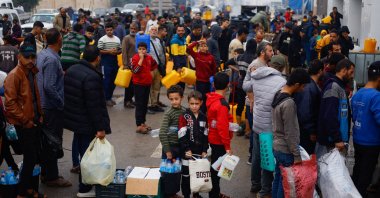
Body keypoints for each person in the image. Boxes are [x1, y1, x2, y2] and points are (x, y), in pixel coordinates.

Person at [64, 45, 111, 197]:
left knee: (81, 149)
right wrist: (100, 128)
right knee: (87, 155)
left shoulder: (72, 69)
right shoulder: (91, 76)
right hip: (86, 121)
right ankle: (84, 188)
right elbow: (94, 105)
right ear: (97, 58)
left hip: (75, 118)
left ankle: (83, 179)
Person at [243, 43, 285, 198]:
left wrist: (250, 74)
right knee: (267, 159)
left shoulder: (257, 77)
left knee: (257, 155)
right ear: (281, 68)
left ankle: (255, 185)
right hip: (269, 125)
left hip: (257, 123)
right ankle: (265, 190)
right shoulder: (281, 82)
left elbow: (245, 86)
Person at [4, 43, 46, 198]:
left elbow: (34, 97)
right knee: (30, 159)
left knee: (33, 157)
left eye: (32, 56)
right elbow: (10, 104)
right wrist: (25, 120)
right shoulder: (14, 75)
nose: (30, 59)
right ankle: (22, 193)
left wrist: (40, 114)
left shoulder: (31, 71)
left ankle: (27, 188)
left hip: (34, 121)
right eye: (26, 57)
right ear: (19, 57)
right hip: (23, 124)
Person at [35, 28, 72, 187]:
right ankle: (52, 176)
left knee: (47, 141)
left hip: (44, 105)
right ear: (59, 40)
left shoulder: (43, 54)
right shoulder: (51, 59)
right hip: (50, 107)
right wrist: (60, 103)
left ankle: (46, 173)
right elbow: (49, 86)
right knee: (52, 142)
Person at [271, 69, 311, 198]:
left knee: (278, 179)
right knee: (286, 185)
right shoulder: (289, 103)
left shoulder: (278, 94)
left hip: (277, 146)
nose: (303, 89)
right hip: (285, 150)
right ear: (297, 84)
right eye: (303, 86)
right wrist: (296, 155)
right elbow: (290, 132)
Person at [351, 61, 380, 197]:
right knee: (366, 175)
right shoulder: (376, 96)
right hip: (371, 142)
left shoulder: (359, 93)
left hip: (358, 139)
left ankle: (354, 193)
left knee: (358, 170)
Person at [316, 59, 355, 159]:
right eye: (351, 72)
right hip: (332, 143)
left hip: (337, 141)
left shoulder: (339, 86)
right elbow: (329, 116)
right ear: (343, 70)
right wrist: (337, 139)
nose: (352, 76)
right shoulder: (333, 87)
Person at [207, 72, 232, 198]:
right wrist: (227, 146)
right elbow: (223, 127)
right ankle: (214, 194)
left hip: (212, 137)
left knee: (214, 168)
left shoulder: (211, 98)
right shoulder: (222, 105)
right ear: (228, 85)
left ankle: (215, 192)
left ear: (213, 84)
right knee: (217, 170)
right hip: (219, 141)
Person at [178, 91, 208, 198]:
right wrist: (186, 148)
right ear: (188, 103)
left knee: (197, 174)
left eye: (197, 104)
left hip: (199, 152)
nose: (194, 106)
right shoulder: (184, 116)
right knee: (186, 175)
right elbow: (181, 134)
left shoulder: (204, 117)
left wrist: (205, 149)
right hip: (187, 153)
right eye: (192, 104)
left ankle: (196, 194)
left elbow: (205, 135)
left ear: (201, 103)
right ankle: (186, 195)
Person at [159, 85, 185, 198]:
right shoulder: (168, 113)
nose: (174, 102)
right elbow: (162, 133)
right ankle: (168, 194)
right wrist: (167, 150)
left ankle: (173, 193)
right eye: (171, 99)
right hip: (170, 148)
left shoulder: (184, 111)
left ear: (182, 98)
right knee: (168, 174)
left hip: (180, 147)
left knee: (176, 172)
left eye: (176, 99)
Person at [294, 59, 323, 154]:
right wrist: (311, 131)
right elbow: (305, 111)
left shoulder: (309, 84)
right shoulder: (309, 86)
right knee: (306, 156)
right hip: (305, 131)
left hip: (304, 128)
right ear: (320, 71)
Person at [131, 42, 158, 134]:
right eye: (140, 49)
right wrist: (141, 59)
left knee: (144, 104)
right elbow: (135, 70)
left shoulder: (149, 57)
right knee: (139, 104)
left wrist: (151, 72)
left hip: (147, 83)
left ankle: (143, 122)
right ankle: (139, 125)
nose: (142, 51)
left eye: (143, 49)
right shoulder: (135, 58)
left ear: (146, 49)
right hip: (138, 84)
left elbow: (154, 64)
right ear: (137, 49)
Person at [187, 40, 217, 113]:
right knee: (199, 98)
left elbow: (214, 70)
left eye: (205, 46)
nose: (203, 48)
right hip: (200, 82)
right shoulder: (196, 55)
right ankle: (199, 113)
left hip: (208, 82)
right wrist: (197, 42)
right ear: (199, 48)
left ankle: (205, 114)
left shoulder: (211, 57)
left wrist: (213, 81)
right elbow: (188, 49)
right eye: (201, 46)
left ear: (207, 48)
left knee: (207, 99)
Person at [98, 23, 121, 106]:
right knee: (106, 81)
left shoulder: (117, 39)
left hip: (114, 61)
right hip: (105, 62)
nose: (109, 31)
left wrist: (116, 52)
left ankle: (109, 97)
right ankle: (106, 99)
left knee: (113, 81)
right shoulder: (102, 39)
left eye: (111, 30)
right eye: (107, 30)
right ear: (105, 30)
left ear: (113, 30)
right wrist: (109, 52)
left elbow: (120, 50)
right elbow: (99, 50)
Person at [148, 25, 166, 113]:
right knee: (149, 87)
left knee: (156, 86)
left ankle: (154, 104)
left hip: (157, 67)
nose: (154, 31)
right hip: (148, 68)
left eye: (155, 30)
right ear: (148, 31)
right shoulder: (145, 39)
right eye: (152, 29)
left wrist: (163, 65)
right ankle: (148, 106)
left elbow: (161, 54)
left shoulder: (158, 41)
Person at [121, 22, 138, 109]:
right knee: (129, 85)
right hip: (129, 64)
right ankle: (126, 101)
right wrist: (125, 64)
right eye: (132, 28)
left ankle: (131, 100)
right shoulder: (126, 38)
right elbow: (124, 52)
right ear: (129, 29)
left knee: (134, 84)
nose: (133, 30)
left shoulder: (138, 38)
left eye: (135, 29)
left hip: (136, 65)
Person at [170, 25, 187, 89]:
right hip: (178, 64)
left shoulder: (183, 38)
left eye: (182, 30)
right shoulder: (174, 40)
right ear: (176, 31)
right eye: (179, 31)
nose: (181, 32)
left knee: (182, 83)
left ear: (184, 31)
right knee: (177, 85)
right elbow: (175, 55)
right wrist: (178, 67)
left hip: (183, 63)